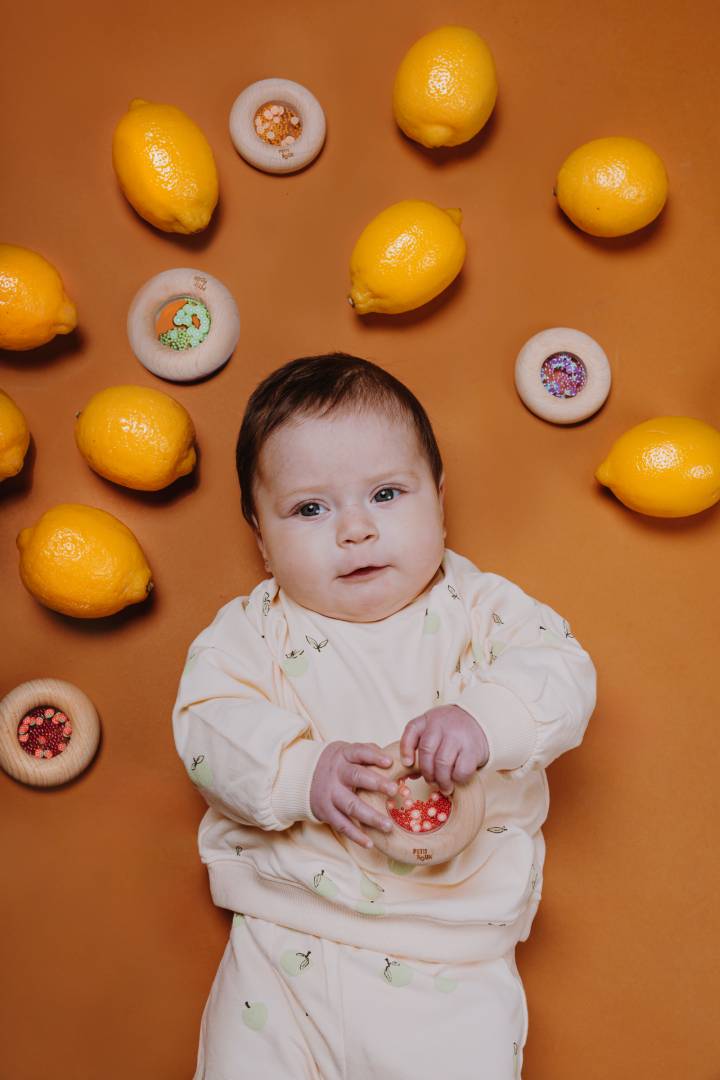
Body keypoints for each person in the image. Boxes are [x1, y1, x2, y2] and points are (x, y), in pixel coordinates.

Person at [172, 351, 597, 1079]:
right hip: (285, 942)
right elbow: (209, 727)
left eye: (387, 495)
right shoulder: (252, 632)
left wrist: (483, 719)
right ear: (259, 537)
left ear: (438, 495)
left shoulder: (479, 609)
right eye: (310, 508)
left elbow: (563, 672)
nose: (355, 531)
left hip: (449, 957)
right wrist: (303, 772)